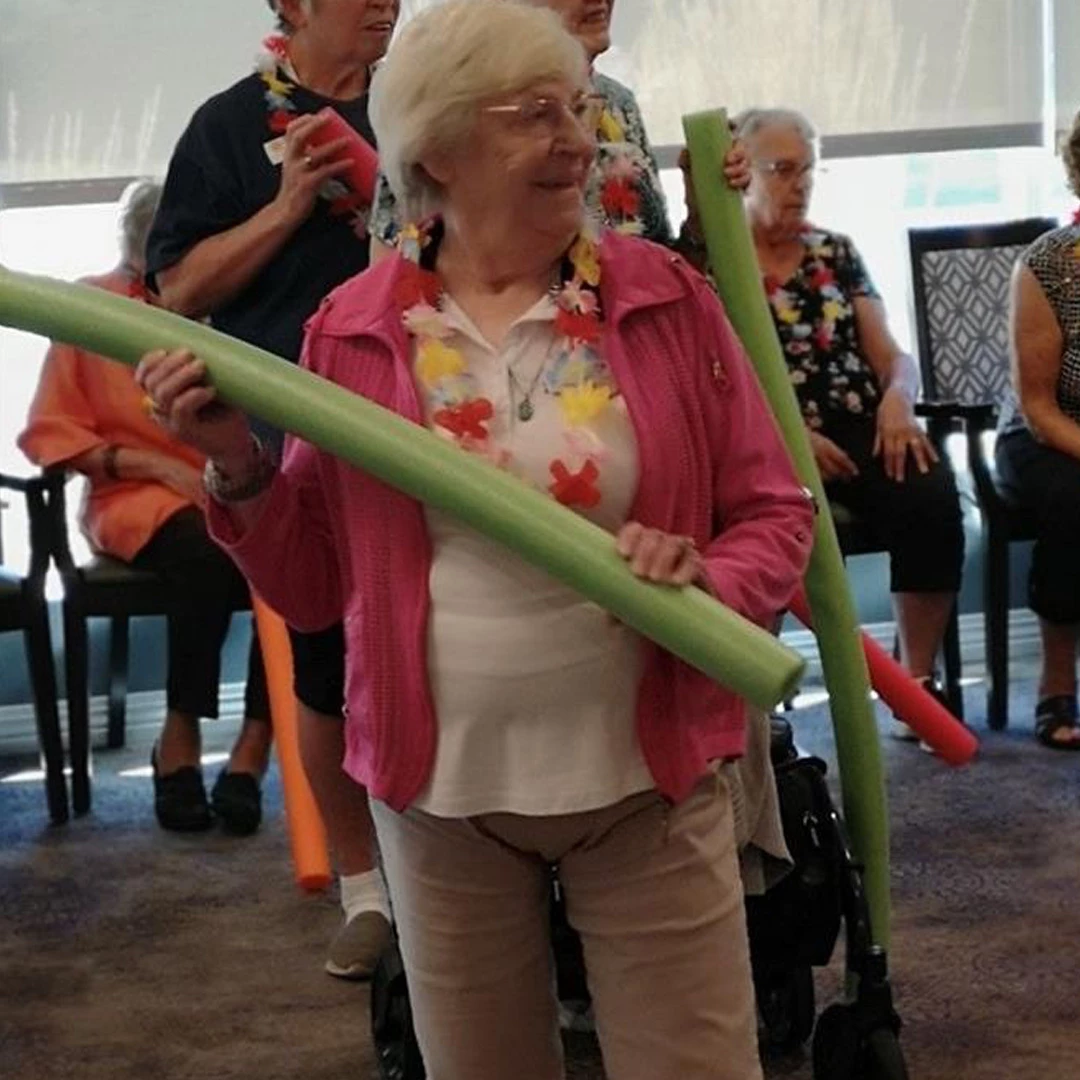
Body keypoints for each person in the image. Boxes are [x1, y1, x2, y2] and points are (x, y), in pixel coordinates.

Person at [135, 3, 814, 1077]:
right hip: (440, 797)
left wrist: (712, 577)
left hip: (650, 778)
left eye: (580, 109)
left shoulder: (666, 299)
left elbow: (778, 513)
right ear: (438, 150)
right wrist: (236, 463)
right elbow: (311, 586)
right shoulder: (351, 328)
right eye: (535, 114)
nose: (577, 140)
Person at [144, 0, 397, 977]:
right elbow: (178, 292)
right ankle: (366, 891)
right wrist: (288, 207)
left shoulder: (424, 108)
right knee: (326, 668)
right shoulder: (223, 127)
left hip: (434, 437)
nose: (388, 1)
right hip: (291, 456)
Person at [682, 107, 965, 736]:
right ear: (743, 174)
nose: (800, 184)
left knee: (930, 496)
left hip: (856, 421)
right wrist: (790, 436)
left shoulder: (834, 251)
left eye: (807, 170)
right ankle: (755, 694)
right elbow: (709, 379)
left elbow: (893, 357)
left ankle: (914, 683)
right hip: (764, 434)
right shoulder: (714, 263)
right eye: (782, 169)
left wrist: (898, 398)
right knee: (751, 522)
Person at [19, 180, 272, 837]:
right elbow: (53, 432)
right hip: (131, 497)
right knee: (206, 554)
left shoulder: (230, 302)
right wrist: (156, 465)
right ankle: (179, 737)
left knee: (288, 559)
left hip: (232, 482)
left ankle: (254, 745)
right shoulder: (90, 306)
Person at [368, 0, 749, 254]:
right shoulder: (445, 108)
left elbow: (662, 277)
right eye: (537, 115)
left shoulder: (618, 105)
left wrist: (702, 217)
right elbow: (395, 297)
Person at [995, 110, 1080, 750]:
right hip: (1045, 430)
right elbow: (1037, 405)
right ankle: (1057, 686)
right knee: (1071, 499)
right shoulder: (1049, 265)